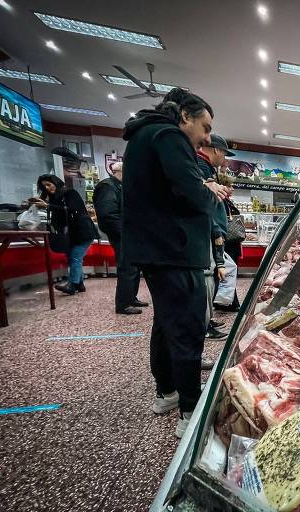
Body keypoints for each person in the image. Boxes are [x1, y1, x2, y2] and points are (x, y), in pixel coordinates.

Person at [121, 88, 229, 438]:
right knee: (186, 330)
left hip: (157, 251)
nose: (207, 136)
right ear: (185, 116)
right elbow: (191, 195)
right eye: (205, 126)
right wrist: (208, 191)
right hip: (176, 251)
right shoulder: (169, 136)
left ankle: (166, 393)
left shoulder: (144, 135)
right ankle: (189, 411)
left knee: (166, 325)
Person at [92, 162, 148, 315]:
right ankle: (123, 304)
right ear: (119, 171)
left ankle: (131, 297)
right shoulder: (107, 186)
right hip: (121, 233)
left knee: (134, 267)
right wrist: (125, 232)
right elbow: (108, 215)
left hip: (129, 232)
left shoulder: (120, 187)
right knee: (127, 267)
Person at [30, 174, 98, 295]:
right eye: (44, 186)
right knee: (73, 258)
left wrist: (48, 206)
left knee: (75, 257)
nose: (47, 188)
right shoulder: (55, 199)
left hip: (83, 231)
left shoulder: (70, 193)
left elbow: (72, 208)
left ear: (56, 182)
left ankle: (72, 285)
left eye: (48, 184)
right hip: (71, 234)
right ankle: (79, 284)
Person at [196, 134, 235, 340]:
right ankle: (203, 327)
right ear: (217, 151)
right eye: (225, 154)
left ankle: (207, 321)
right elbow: (206, 209)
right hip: (206, 237)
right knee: (208, 282)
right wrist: (217, 233)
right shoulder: (200, 168)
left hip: (209, 235)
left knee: (212, 280)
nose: (225, 160)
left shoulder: (205, 169)